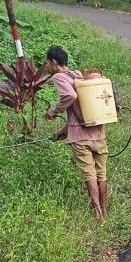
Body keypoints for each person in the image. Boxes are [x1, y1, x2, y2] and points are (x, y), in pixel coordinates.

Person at [44, 46, 109, 220]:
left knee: (89, 174)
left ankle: (97, 214)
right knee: (101, 173)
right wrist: (60, 133)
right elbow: (80, 113)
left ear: (54, 62)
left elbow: (70, 97)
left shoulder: (59, 77)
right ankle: (105, 211)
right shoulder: (78, 76)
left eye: (48, 63)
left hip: (81, 139)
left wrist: (54, 111)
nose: (48, 66)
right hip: (99, 134)